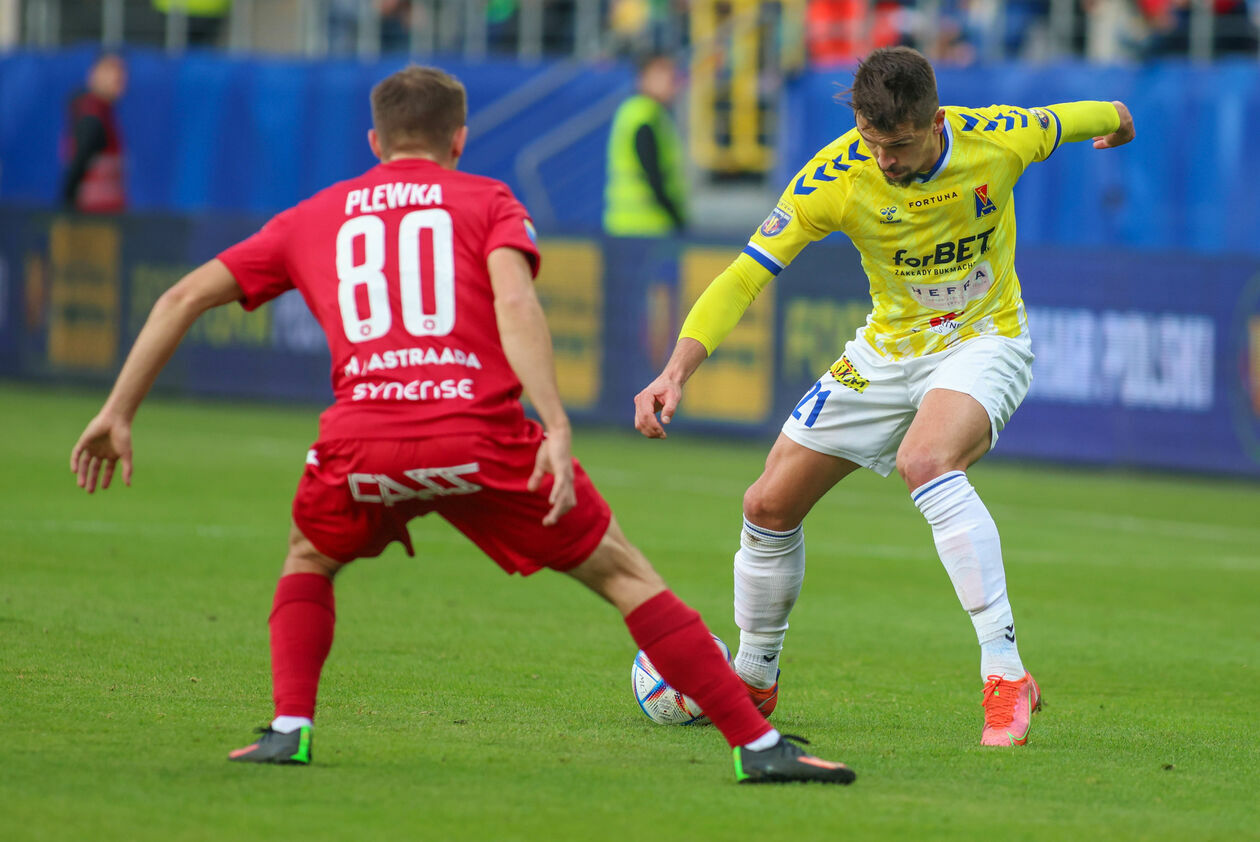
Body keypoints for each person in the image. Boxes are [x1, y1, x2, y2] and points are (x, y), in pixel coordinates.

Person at [68, 65, 854, 785]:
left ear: (374, 142)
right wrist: (553, 419)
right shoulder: (487, 201)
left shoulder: (313, 215)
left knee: (309, 555)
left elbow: (178, 299)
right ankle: (757, 748)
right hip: (480, 433)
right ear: (460, 139)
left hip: (361, 440)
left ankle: (289, 726)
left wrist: (115, 412)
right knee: (622, 574)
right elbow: (515, 304)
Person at [634, 46, 1135, 747]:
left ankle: (1005, 672)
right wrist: (676, 370)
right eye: (872, 141)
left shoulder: (1000, 137)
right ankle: (753, 675)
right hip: (884, 349)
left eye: (897, 145)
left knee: (925, 461)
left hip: (982, 340)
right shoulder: (836, 175)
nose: (884, 160)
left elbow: (1097, 113)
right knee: (766, 505)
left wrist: (1121, 123)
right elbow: (745, 275)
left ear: (935, 123)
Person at [603, 52, 688, 236]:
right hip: (644, 229)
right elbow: (653, 174)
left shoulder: (644, 112)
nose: (671, 81)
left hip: (631, 227)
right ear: (643, 78)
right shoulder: (644, 116)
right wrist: (677, 219)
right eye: (663, 74)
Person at [61, 53, 127, 214]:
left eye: (121, 75)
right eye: (112, 73)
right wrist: (67, 206)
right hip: (92, 218)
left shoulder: (104, 112)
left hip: (104, 215)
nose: (119, 80)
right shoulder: (92, 115)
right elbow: (80, 162)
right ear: (93, 75)